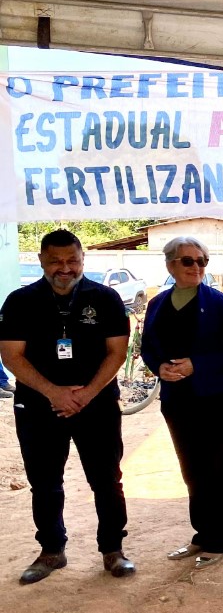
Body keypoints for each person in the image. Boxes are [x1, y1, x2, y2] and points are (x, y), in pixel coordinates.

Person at [0, 229, 134, 584]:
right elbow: (11, 356)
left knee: (107, 480)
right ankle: (51, 551)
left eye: (72, 260)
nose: (64, 268)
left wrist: (87, 394)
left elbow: (117, 352)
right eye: (55, 261)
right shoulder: (19, 301)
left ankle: (113, 550)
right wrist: (53, 393)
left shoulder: (105, 298)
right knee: (44, 482)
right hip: (38, 405)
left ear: (82, 259)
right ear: (41, 261)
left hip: (97, 403)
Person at [143, 236, 223, 570]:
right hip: (177, 396)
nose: (197, 267)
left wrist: (197, 364)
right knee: (191, 468)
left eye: (202, 261)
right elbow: (148, 347)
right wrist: (159, 367)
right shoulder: (157, 303)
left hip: (217, 394)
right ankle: (201, 534)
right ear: (170, 264)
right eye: (188, 261)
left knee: (217, 466)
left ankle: (216, 541)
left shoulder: (218, 302)